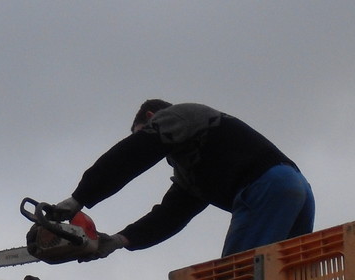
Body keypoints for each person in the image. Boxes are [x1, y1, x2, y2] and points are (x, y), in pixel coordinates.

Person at [49, 99, 314, 260]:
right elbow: (171, 215)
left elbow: (131, 155)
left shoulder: (179, 116)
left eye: (142, 132)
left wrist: (78, 198)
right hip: (297, 188)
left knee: (238, 279)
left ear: (152, 119)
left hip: (265, 188)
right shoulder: (197, 166)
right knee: (294, 278)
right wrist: (120, 240)